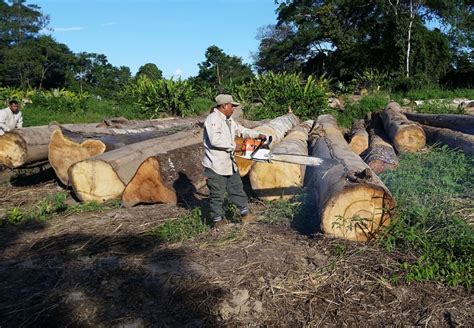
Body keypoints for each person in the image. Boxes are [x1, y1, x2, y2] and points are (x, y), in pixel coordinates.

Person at [203, 94, 267, 228]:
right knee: (217, 194)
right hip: (216, 165)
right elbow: (215, 140)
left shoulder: (229, 120)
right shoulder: (213, 120)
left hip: (229, 163)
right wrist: (234, 145)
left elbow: (241, 130)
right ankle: (218, 221)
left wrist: (257, 135)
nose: (233, 109)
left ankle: (245, 215)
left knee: (237, 188)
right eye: (232, 106)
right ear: (224, 105)